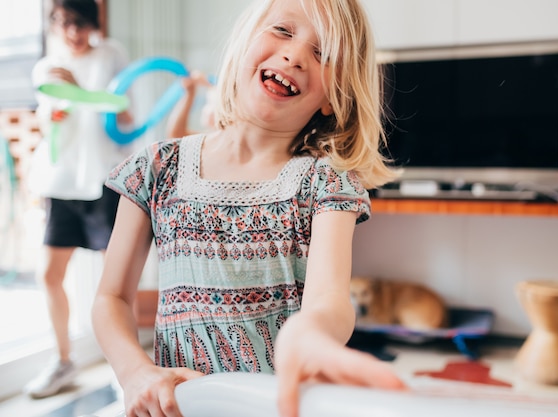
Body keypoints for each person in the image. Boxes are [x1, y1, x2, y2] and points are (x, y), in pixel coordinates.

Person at [92, 0, 407, 416]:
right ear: (243, 44)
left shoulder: (326, 184)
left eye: (323, 53)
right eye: (282, 31)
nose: (294, 56)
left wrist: (310, 335)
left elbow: (329, 300)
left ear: (334, 96)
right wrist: (134, 372)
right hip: (176, 407)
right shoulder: (157, 167)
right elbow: (111, 297)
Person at [24, 0, 133, 399]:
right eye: (65, 24)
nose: (73, 33)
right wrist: (53, 115)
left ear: (93, 23)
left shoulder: (111, 55)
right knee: (48, 275)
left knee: (115, 282)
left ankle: (123, 369)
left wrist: (78, 90)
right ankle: (64, 360)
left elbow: (123, 114)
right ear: (54, 24)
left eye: (80, 24)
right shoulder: (44, 66)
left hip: (103, 180)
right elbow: (46, 121)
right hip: (60, 183)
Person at [166, 70, 217, 138]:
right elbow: (176, 134)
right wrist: (190, 92)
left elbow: (176, 135)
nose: (204, 109)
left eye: (210, 103)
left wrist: (190, 94)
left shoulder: (219, 140)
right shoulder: (216, 138)